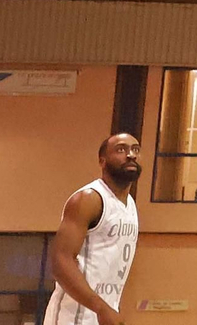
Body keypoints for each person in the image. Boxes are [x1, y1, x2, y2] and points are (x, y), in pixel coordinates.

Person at [46, 134, 141, 325]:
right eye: (121, 150)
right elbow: (60, 262)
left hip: (102, 316)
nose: (130, 155)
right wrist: (101, 308)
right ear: (102, 161)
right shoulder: (88, 199)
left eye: (135, 149)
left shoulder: (129, 204)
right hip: (72, 318)